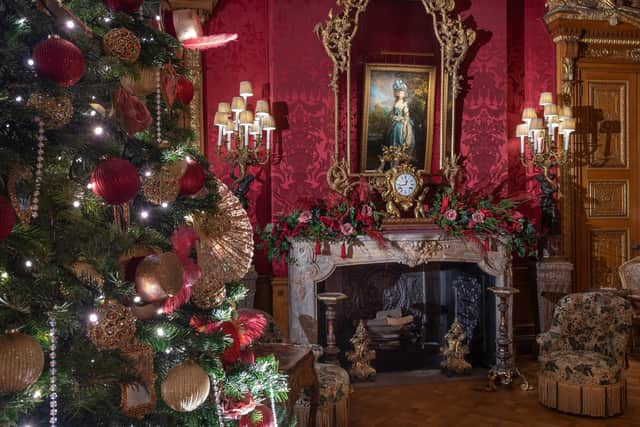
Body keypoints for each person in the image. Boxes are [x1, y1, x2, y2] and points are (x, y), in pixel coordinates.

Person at [388, 79, 415, 155]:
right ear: (396, 93)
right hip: (395, 122)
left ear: (404, 94)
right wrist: (394, 117)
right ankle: (394, 151)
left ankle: (401, 150)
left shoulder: (404, 104)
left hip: (403, 122)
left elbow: (407, 116)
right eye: (399, 92)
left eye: (402, 92)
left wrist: (404, 124)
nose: (400, 93)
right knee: (393, 131)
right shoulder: (395, 103)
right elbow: (392, 114)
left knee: (399, 129)